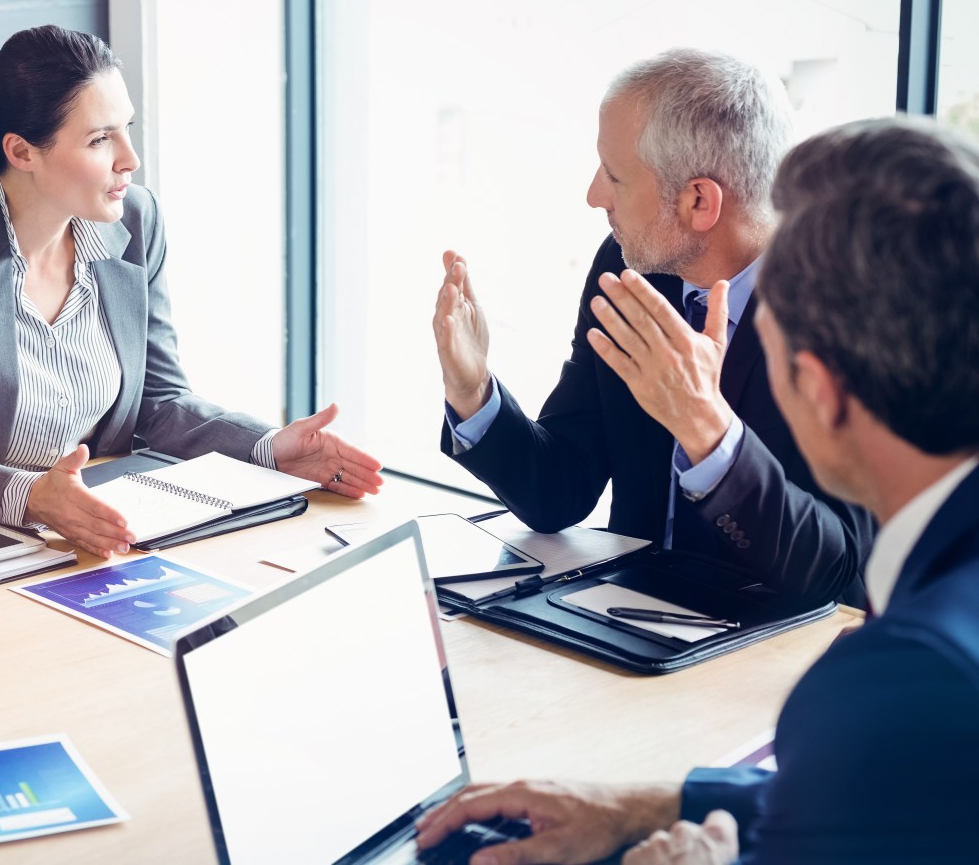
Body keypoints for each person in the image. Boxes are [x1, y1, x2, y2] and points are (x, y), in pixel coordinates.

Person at [415, 116, 979, 864]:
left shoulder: (893, 680)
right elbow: (886, 797)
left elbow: (859, 777)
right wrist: (649, 803)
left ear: (819, 389)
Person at [0, 25, 382, 557]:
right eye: (99, 139)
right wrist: (33, 496)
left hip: (84, 533)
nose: (129, 158)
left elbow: (159, 401)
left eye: (125, 129)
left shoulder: (135, 217)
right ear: (21, 151)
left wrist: (267, 448)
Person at [433, 49, 871, 604]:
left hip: (773, 655)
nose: (594, 195)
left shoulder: (849, 307)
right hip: (626, 631)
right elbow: (559, 489)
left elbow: (837, 569)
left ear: (698, 201)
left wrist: (708, 431)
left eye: (615, 176)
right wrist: (474, 396)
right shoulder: (628, 269)